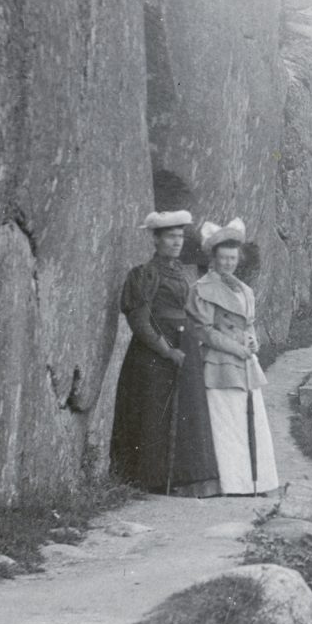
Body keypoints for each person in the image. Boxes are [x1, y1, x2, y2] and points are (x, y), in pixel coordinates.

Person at [107, 210, 220, 496]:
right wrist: (167, 351)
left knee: (184, 412)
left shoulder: (180, 273)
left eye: (180, 237)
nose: (176, 242)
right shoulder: (145, 274)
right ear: (156, 240)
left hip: (184, 351)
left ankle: (179, 479)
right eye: (170, 237)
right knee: (153, 414)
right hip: (153, 357)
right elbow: (139, 322)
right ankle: (149, 480)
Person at [192, 218, 282, 497]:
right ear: (214, 259)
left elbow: (248, 323)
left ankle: (256, 482)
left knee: (251, 423)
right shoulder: (202, 289)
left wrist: (252, 340)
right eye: (224, 258)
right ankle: (231, 483)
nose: (229, 263)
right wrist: (235, 348)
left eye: (233, 258)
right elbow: (204, 332)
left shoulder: (244, 290)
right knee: (227, 423)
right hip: (220, 364)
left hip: (245, 364)